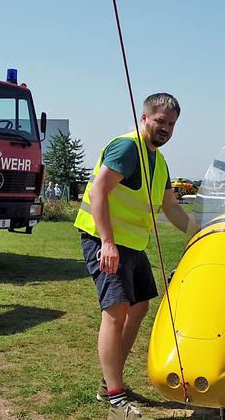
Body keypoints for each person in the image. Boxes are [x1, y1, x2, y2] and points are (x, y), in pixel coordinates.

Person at [74, 93, 199, 420]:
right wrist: (108, 243)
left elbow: (171, 206)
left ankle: (109, 380)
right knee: (115, 310)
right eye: (160, 121)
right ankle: (115, 397)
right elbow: (100, 192)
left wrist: (202, 233)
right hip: (104, 238)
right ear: (144, 118)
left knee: (140, 306)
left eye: (171, 125)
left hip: (131, 244)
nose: (166, 129)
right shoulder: (128, 149)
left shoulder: (159, 161)